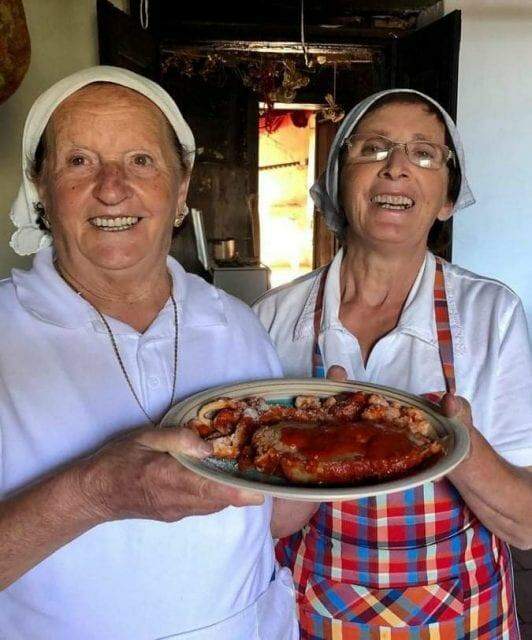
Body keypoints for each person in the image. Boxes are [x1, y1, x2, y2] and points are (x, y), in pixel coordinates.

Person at [0, 66, 298, 640]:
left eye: (141, 160)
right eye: (79, 161)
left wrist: (326, 459)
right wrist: (94, 493)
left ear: (181, 188)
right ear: (40, 186)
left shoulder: (238, 326)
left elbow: (269, 514)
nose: (112, 187)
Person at [254, 88, 532, 639]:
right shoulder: (271, 319)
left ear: (447, 198)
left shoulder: (490, 313)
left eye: (424, 154)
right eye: (373, 149)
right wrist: (320, 442)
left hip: (461, 615)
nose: (397, 168)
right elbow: (268, 525)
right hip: (316, 612)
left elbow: (525, 525)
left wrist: (454, 442)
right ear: (337, 180)